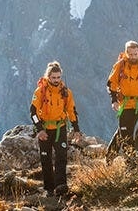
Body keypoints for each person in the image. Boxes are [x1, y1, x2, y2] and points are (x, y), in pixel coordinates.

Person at [30, 61, 82, 197]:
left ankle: (61, 186)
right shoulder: (40, 91)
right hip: (45, 130)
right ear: (48, 77)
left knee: (61, 157)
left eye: (58, 77)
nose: (56, 80)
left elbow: (72, 111)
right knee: (45, 159)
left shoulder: (66, 92)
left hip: (60, 128)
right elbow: (33, 112)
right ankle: (49, 188)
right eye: (53, 78)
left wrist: (76, 129)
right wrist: (39, 129)